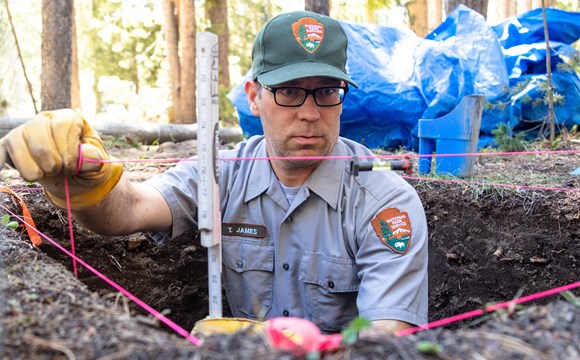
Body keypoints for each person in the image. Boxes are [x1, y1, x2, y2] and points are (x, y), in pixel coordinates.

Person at [0, 10, 428, 334]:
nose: (311, 113)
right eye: (290, 92)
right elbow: (129, 210)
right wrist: (82, 184)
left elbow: (387, 341)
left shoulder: (384, 202)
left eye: (327, 92)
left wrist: (276, 347)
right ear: (254, 97)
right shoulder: (222, 175)